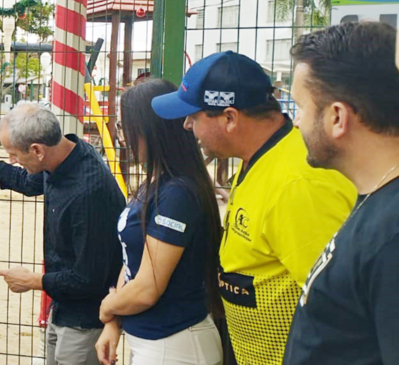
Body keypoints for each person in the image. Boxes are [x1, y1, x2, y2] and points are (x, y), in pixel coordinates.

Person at [151, 51, 356, 365]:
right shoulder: (259, 160)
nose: (187, 125)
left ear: (230, 118)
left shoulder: (298, 184)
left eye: (195, 115)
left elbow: (345, 311)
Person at [0, 103, 125, 365]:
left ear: (36, 150)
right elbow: (24, 181)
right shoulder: (64, 156)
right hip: (62, 306)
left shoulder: (89, 193)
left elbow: (88, 278)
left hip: (86, 318)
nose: (12, 160)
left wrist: (32, 281)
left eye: (13, 154)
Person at [283, 22, 399, 364]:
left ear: (337, 117)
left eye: (300, 107)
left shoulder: (392, 236)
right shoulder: (376, 201)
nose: (296, 122)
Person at [94, 79, 224, 365]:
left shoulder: (177, 193)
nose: (123, 137)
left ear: (148, 129)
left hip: (176, 343)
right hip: (156, 342)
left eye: (124, 127)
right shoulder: (156, 183)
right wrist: (113, 321)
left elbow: (147, 289)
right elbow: (133, 260)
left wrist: (107, 307)